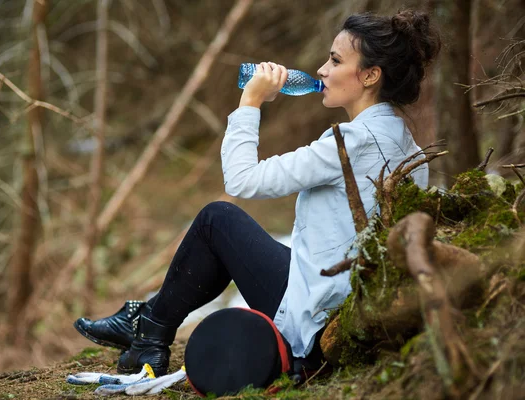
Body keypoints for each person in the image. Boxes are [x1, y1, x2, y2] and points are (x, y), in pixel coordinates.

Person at [74, 9, 441, 378]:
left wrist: (250, 103)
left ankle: (147, 332)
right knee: (226, 234)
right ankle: (147, 332)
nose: (321, 70)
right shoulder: (406, 144)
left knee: (217, 220)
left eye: (335, 60)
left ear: (370, 75)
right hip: (347, 305)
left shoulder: (353, 141)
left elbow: (241, 179)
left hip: (319, 321)